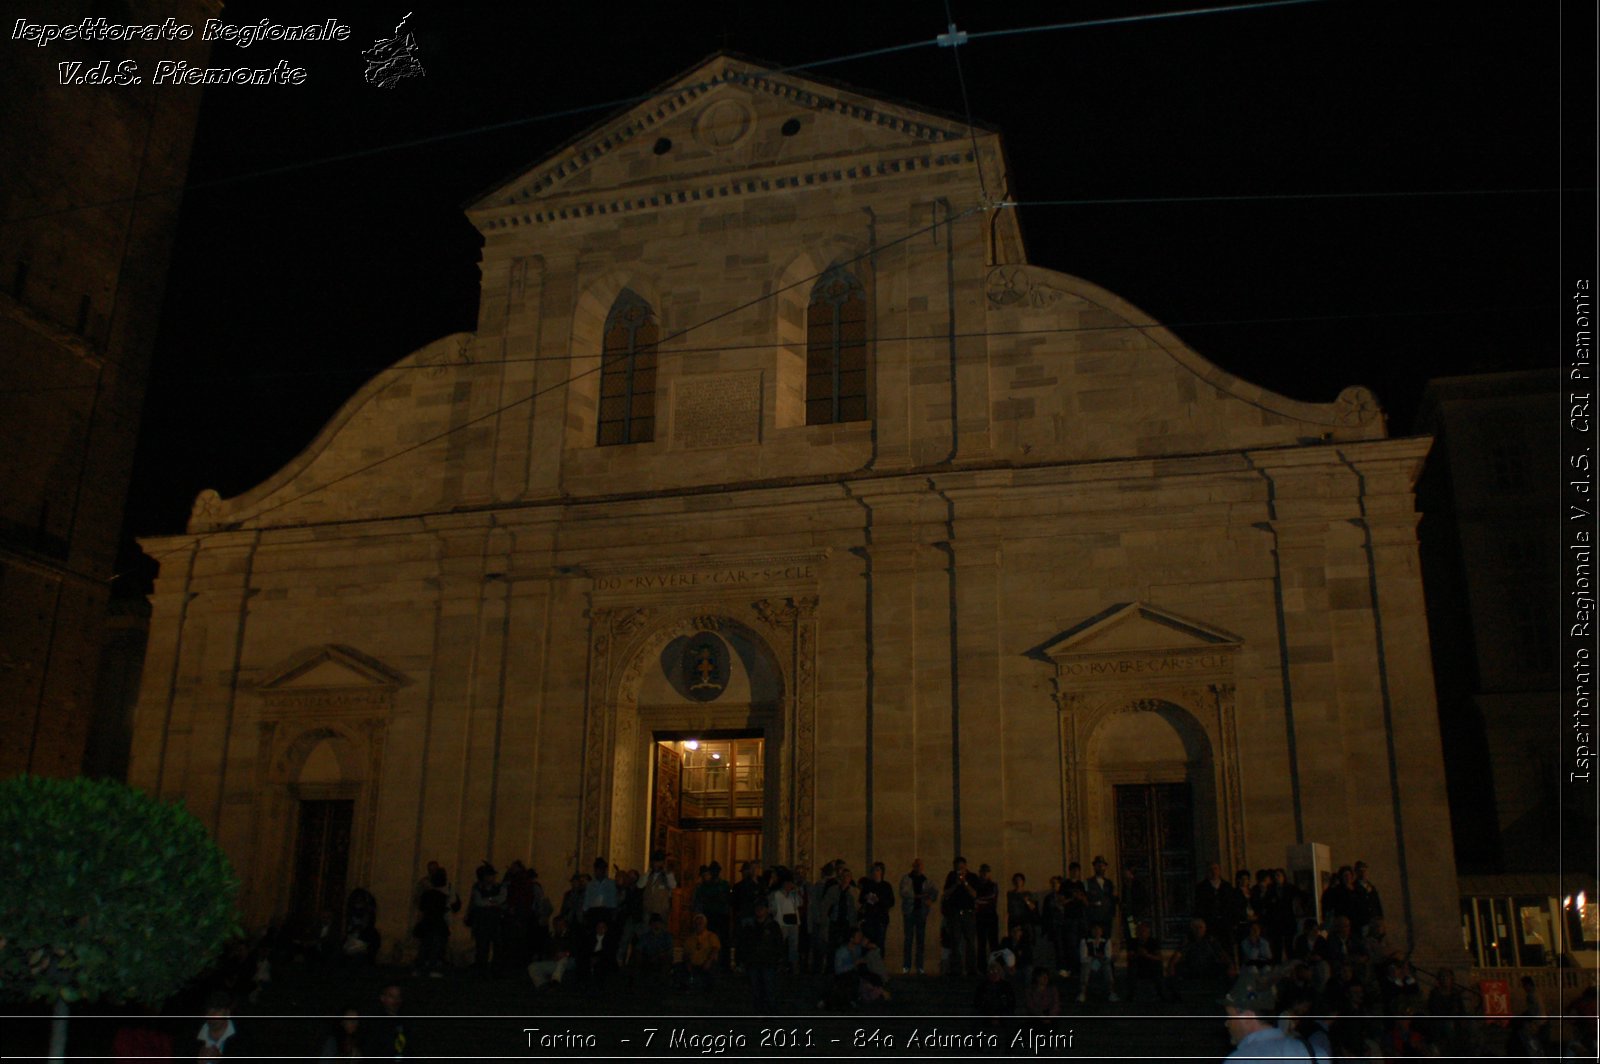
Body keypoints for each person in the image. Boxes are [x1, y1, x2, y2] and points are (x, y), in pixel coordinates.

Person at [1221, 978, 1309, 1061]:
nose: (1227, 1023)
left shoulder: (1239, 1060)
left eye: (1230, 1016)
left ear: (1247, 1017)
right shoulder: (1312, 1053)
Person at [899, 858, 938, 975]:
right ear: (913, 866)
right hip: (909, 912)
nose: (918, 867)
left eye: (920, 865)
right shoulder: (906, 879)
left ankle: (920, 967)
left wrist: (930, 898)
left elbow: (935, 892)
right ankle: (906, 967)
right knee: (908, 939)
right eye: (916, 865)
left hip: (921, 912)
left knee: (920, 940)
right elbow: (905, 893)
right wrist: (921, 896)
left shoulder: (926, 880)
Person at [942, 857, 979, 976]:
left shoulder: (973, 877)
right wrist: (956, 884)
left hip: (968, 913)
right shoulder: (951, 876)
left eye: (961, 868)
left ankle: (971, 968)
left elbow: (975, 894)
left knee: (970, 942)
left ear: (966, 866)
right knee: (955, 941)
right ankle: (956, 969)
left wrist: (965, 883)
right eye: (957, 868)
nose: (959, 870)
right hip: (955, 913)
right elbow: (946, 894)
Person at [857, 861, 895, 953]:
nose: (875, 872)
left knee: (880, 943)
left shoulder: (886, 886)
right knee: (866, 943)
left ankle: (879, 964)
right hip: (869, 918)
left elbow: (891, 902)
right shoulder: (868, 885)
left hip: (881, 918)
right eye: (873, 870)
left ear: (881, 872)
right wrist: (866, 897)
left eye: (877, 870)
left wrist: (879, 900)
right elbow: (861, 899)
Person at [365, 983, 410, 1060]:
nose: (396, 1000)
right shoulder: (375, 1023)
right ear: (382, 998)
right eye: (391, 996)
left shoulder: (406, 1021)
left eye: (398, 997)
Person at [195, 992, 246, 1058]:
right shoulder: (192, 1036)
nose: (211, 1016)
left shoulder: (243, 1037)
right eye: (208, 1011)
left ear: (227, 1013)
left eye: (217, 1011)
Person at [678, 912, 720, 992]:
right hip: (693, 964)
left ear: (705, 924)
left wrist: (708, 961)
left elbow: (715, 949)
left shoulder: (711, 936)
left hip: (706, 963)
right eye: (696, 923)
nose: (698, 925)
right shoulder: (689, 938)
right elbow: (686, 953)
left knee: (711, 971)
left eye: (700, 923)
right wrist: (687, 962)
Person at [1077, 921, 1117, 1002]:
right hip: (1090, 963)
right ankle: (1082, 992)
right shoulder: (1085, 941)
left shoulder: (1106, 941)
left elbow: (1108, 957)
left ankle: (1111, 992)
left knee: (1107, 966)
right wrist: (1095, 958)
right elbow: (1083, 958)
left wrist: (1099, 958)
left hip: (1101, 963)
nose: (1096, 932)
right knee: (1086, 966)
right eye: (1094, 930)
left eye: (1098, 930)